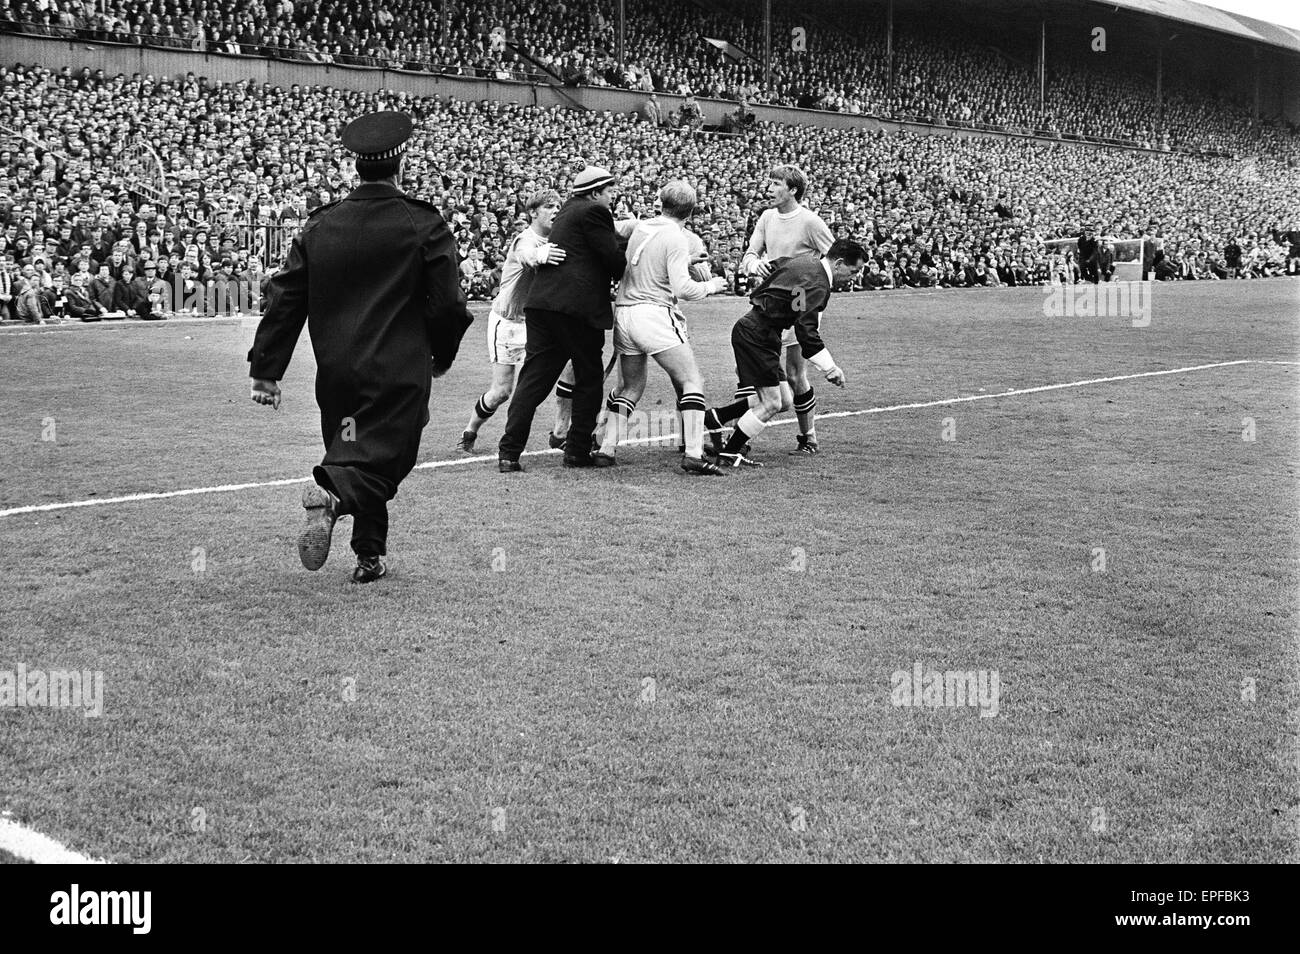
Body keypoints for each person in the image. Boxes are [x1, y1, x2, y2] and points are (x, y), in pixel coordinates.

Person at [247, 111, 473, 583]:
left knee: (352, 449)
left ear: (356, 166)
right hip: (397, 369)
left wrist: (266, 370)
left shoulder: (320, 225)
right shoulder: (423, 222)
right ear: (401, 164)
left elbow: (284, 297)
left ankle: (369, 556)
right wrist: (444, 352)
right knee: (387, 459)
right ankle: (332, 498)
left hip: (337, 374)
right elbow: (449, 303)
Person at [595, 180, 730, 475]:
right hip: (653, 313)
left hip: (624, 312)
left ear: (660, 202)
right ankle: (694, 453)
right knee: (691, 381)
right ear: (691, 212)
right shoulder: (678, 237)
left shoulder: (641, 226)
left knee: (630, 387)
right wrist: (712, 285)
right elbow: (683, 289)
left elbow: (637, 247)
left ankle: (606, 448)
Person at [498, 165, 626, 472]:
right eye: (609, 192)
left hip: (542, 305)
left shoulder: (567, 211)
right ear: (595, 193)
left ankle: (509, 452)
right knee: (589, 379)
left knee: (534, 379)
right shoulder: (595, 213)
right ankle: (577, 452)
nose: (612, 198)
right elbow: (612, 260)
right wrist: (627, 251)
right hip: (577, 309)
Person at [706, 240, 867, 466]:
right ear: (839, 263)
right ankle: (730, 452)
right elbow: (806, 331)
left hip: (762, 332)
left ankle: (717, 417)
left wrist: (756, 267)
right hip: (757, 335)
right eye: (854, 271)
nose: (854, 277)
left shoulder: (805, 263)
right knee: (771, 403)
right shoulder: (818, 284)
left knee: (784, 400)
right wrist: (830, 367)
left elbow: (775, 266)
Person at [457, 189, 566, 453]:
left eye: (558, 206)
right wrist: (540, 256)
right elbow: (527, 255)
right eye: (549, 206)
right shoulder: (524, 239)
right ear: (532, 212)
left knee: (570, 369)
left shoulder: (561, 238)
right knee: (502, 391)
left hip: (537, 323)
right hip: (508, 322)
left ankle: (561, 433)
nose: (555, 211)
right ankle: (470, 430)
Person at [737, 165, 835, 455]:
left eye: (776, 184)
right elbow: (749, 255)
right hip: (769, 301)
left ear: (792, 190)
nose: (770, 189)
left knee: (794, 373)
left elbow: (834, 260)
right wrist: (756, 264)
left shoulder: (810, 222)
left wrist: (814, 295)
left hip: (797, 303)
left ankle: (808, 436)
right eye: (770, 183)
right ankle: (739, 436)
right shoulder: (767, 217)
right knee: (751, 370)